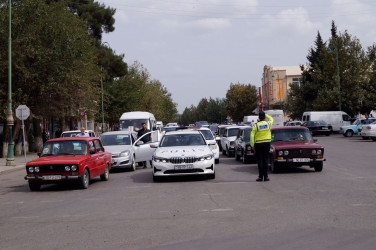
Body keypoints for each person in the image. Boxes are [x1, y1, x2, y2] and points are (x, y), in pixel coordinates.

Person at [250, 111, 274, 182]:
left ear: (259, 118)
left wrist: (252, 145)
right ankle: (266, 177)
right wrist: (265, 114)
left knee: (260, 160)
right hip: (266, 143)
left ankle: (260, 177)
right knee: (265, 160)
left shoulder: (256, 125)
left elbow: (252, 135)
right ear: (264, 117)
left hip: (258, 144)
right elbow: (271, 118)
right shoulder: (268, 123)